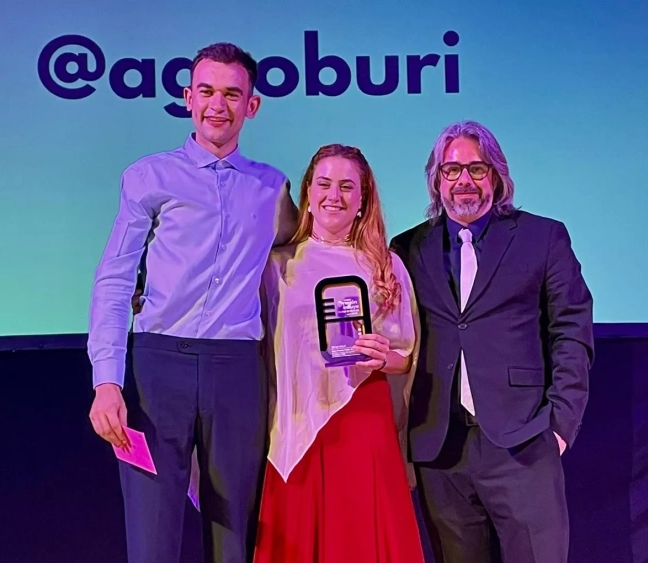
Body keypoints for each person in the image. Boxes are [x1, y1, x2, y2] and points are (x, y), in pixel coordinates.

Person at [86, 42, 298, 563]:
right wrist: (107, 380)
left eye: (232, 94)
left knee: (235, 537)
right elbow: (114, 279)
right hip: (158, 369)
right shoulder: (148, 177)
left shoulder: (272, 188)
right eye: (206, 91)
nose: (217, 105)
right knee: (152, 536)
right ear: (187, 98)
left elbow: (306, 251)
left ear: (252, 105)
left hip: (237, 371)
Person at [390, 120, 594, 563]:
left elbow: (571, 330)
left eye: (477, 169)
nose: (463, 180)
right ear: (436, 180)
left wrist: (560, 424)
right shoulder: (407, 249)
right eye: (451, 170)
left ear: (496, 177)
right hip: (440, 447)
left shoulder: (543, 237)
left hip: (523, 443)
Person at [251, 144, 425, 562]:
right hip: (293, 424)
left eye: (347, 187)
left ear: (363, 199)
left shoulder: (386, 266)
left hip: (362, 420)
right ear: (308, 193)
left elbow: (406, 355)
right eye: (324, 184)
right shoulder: (275, 266)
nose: (335, 195)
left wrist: (383, 357)